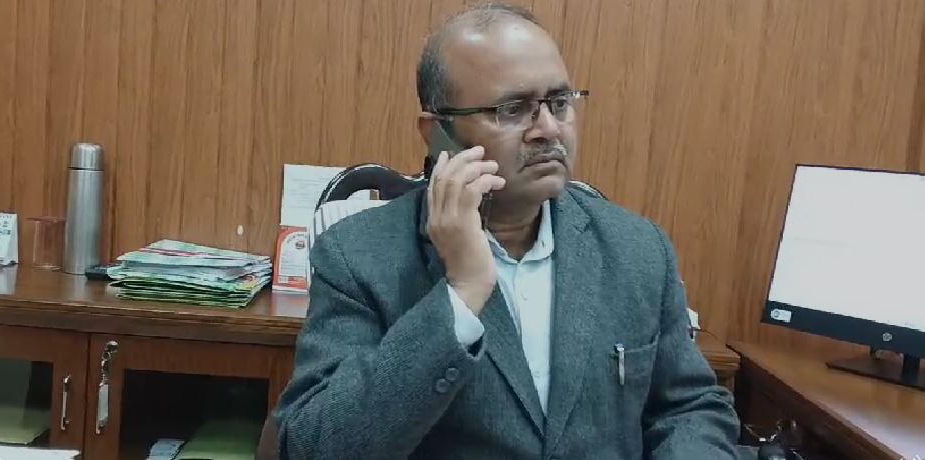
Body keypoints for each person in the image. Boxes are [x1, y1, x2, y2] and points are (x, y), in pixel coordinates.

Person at [274, 2, 740, 459]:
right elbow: (315, 446)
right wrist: (461, 293)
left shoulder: (638, 250)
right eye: (513, 109)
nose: (549, 129)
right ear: (438, 133)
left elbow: (689, 409)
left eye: (560, 103)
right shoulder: (358, 256)